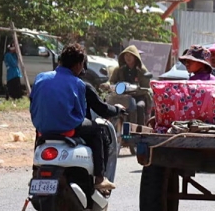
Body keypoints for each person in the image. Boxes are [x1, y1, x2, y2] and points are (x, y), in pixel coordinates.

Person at [30, 44, 125, 191]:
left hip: (42, 127)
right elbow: (80, 113)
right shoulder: (79, 84)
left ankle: (35, 172)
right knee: (98, 131)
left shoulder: (40, 78)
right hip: (68, 128)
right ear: (79, 64)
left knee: (39, 134)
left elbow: (33, 101)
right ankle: (100, 178)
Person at [109, 45, 153, 126]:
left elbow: (146, 88)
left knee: (140, 106)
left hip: (138, 96)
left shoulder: (142, 70)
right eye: (126, 55)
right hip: (121, 96)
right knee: (109, 105)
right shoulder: (119, 69)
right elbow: (112, 82)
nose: (128, 58)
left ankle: (140, 130)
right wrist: (108, 86)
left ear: (135, 57)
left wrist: (136, 91)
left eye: (130, 55)